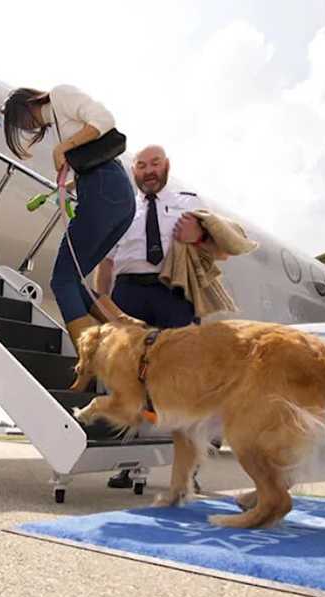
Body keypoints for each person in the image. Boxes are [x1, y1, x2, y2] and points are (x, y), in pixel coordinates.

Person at [94, 144, 213, 489]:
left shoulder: (188, 201)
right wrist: (104, 303)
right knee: (128, 380)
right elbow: (107, 262)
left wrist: (199, 234)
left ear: (166, 166)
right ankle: (131, 463)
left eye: (154, 163)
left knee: (185, 381)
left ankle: (191, 469)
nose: (148, 170)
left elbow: (217, 243)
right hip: (128, 293)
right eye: (141, 165)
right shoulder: (121, 209)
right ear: (134, 172)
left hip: (172, 293)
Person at [1, 85, 135, 345]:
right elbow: (91, 160)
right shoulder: (59, 123)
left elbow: (104, 120)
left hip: (103, 189)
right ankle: (127, 333)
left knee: (62, 280)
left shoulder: (60, 95)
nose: (24, 126)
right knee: (73, 281)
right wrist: (70, 183)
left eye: (19, 120)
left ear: (27, 104)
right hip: (114, 195)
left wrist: (63, 149)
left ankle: (91, 359)